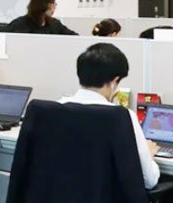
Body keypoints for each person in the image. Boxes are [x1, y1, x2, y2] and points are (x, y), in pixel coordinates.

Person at [61, 43, 159, 189]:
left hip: (57, 197)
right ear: (114, 82)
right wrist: (149, 156)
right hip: (106, 201)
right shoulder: (122, 116)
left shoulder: (55, 109)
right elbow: (149, 180)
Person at [3, 0, 78, 35]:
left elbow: (74, 38)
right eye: (53, 3)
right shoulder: (20, 24)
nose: (55, 7)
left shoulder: (54, 24)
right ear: (43, 4)